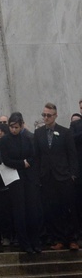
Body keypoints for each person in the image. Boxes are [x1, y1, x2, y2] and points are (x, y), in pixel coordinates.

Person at [33, 102, 79, 250]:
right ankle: (58, 238)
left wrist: (72, 174)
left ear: (55, 115)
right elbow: (37, 156)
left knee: (68, 208)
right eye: (44, 115)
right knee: (53, 209)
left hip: (64, 176)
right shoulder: (38, 133)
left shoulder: (65, 132)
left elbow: (72, 155)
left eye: (49, 115)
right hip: (47, 177)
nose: (46, 118)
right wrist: (39, 175)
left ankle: (73, 239)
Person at [0, 112, 42, 256]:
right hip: (15, 179)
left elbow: (33, 155)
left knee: (32, 211)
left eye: (16, 127)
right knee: (19, 211)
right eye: (11, 127)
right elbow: (6, 159)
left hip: (28, 178)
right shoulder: (5, 141)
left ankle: (35, 241)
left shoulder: (28, 138)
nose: (14, 130)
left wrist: (26, 163)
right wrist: (22, 163)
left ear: (21, 125)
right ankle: (24, 243)